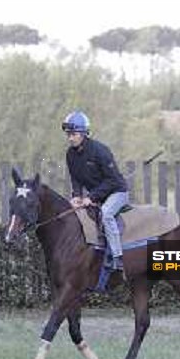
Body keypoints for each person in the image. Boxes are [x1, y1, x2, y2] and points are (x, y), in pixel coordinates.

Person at [62, 111, 129, 271]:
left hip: (117, 193)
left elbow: (113, 181)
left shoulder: (101, 151)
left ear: (84, 133)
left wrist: (91, 197)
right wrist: (77, 196)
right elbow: (75, 178)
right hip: (98, 196)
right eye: (68, 134)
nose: (70, 138)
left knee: (106, 213)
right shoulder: (70, 154)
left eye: (74, 134)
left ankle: (117, 257)